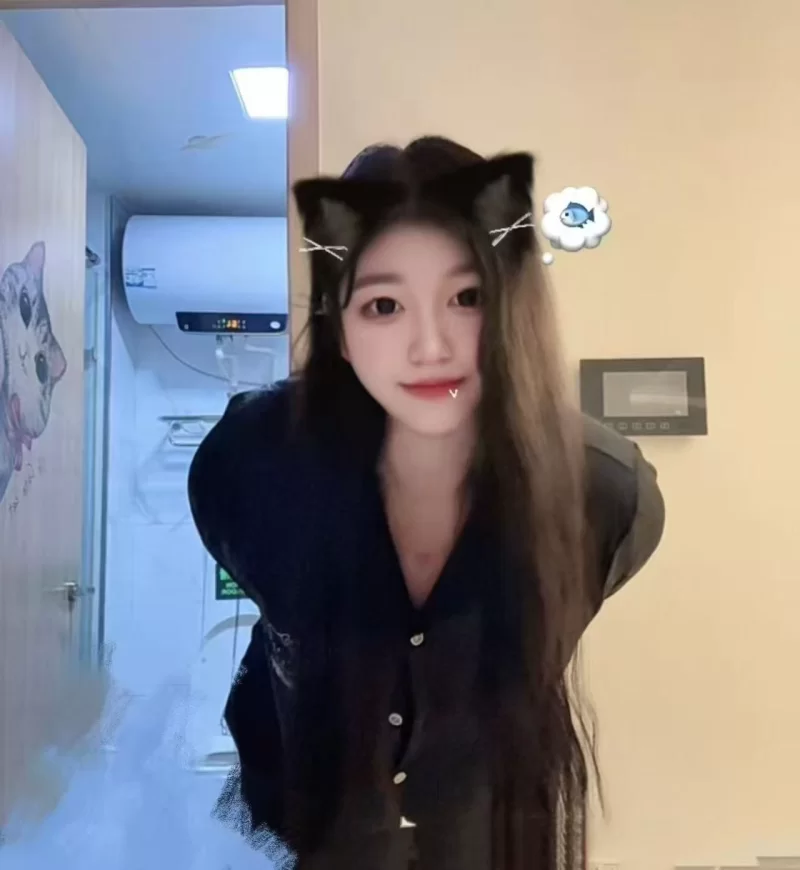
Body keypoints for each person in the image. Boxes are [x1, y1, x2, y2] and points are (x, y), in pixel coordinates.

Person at [187, 136, 666, 870]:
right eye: (384, 304)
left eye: (467, 298)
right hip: (305, 826)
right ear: (340, 326)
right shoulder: (249, 468)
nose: (430, 346)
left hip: (490, 834)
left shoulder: (604, 495)